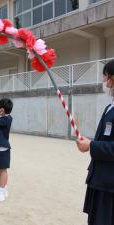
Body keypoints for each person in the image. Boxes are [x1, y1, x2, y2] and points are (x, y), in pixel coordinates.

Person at [76, 59, 114, 225]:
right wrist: (90, 144)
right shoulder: (110, 107)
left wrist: (92, 145)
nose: (104, 81)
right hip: (99, 178)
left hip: (110, 183)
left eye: (105, 76)